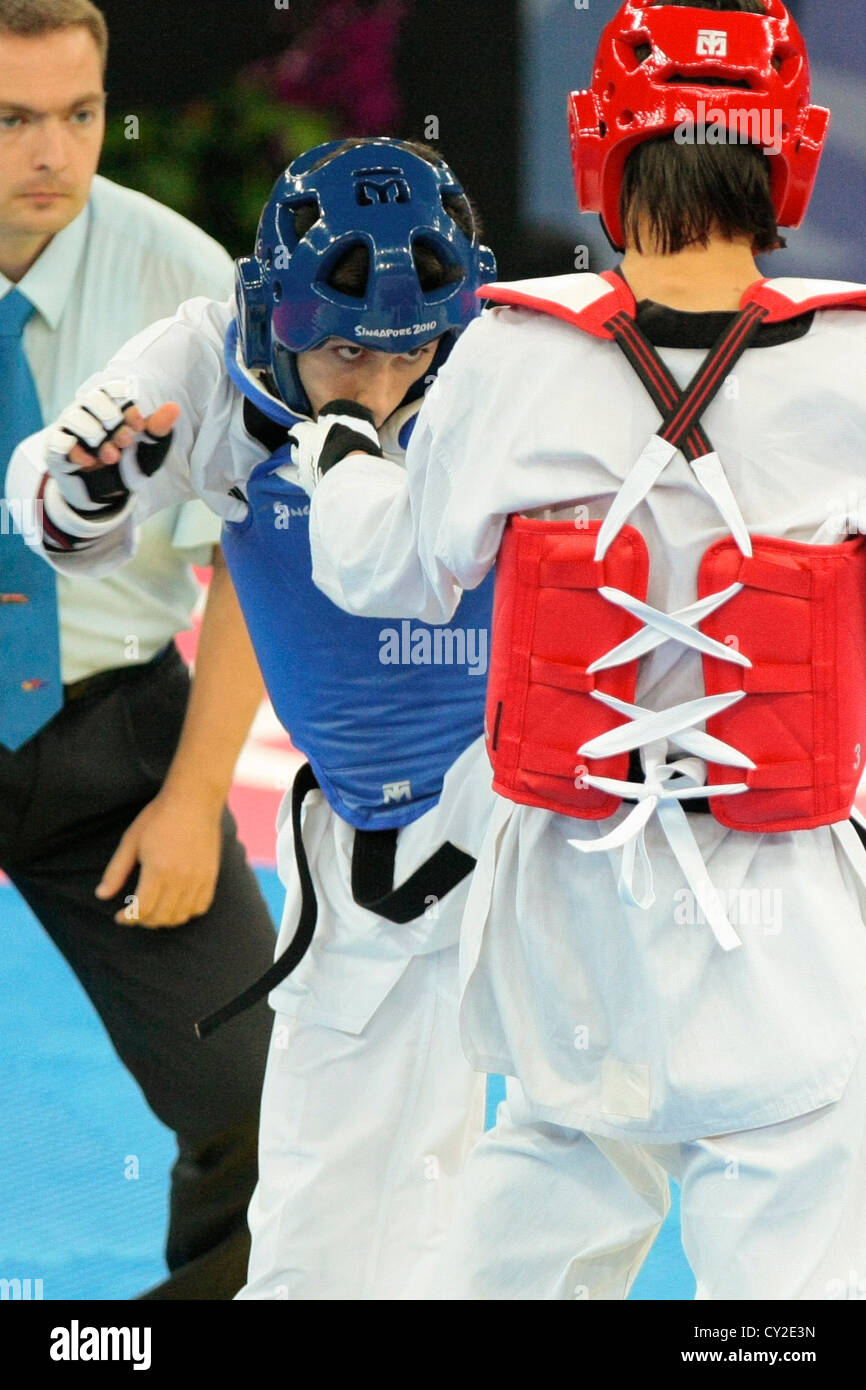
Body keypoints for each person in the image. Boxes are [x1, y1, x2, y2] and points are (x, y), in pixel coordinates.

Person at [12, 133, 671, 1300]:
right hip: (364, 848)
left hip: (541, 820)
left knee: (593, 1149)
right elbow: (54, 498)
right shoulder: (202, 362)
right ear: (275, 315)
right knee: (320, 1200)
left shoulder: (524, 361)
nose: (377, 389)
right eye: (342, 361)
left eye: (408, 354)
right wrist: (90, 487)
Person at [290, 0, 866, 1299]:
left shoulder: (513, 352)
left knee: (543, 1182)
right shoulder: (854, 360)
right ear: (793, 157)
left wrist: (338, 454)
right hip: (791, 927)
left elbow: (384, 571)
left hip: (569, 922)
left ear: (597, 146)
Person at [0, 0, 275, 1299]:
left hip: (114, 738)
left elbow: (260, 560)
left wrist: (192, 793)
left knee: (248, 1090)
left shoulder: (190, 286)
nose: (52, 152)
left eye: (79, 114)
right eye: (10, 119)